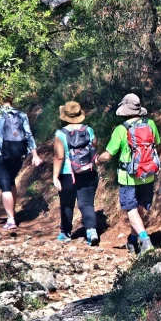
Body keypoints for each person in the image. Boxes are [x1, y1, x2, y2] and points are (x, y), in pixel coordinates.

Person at [97, 93, 161, 255]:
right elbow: (156, 143)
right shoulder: (151, 124)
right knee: (139, 209)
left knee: (131, 210)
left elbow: (108, 154)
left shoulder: (121, 129)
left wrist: (97, 159)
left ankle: (145, 240)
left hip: (128, 177)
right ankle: (133, 241)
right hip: (147, 174)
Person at [0, 96, 42, 230]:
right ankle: (12, 213)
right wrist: (35, 154)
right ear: (12, 99)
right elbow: (28, 135)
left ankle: (11, 219)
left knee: (5, 186)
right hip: (17, 154)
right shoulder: (21, 115)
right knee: (11, 181)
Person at [52, 101, 100, 245]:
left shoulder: (60, 134)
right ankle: (92, 232)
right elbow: (94, 147)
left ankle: (65, 233)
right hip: (88, 171)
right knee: (87, 204)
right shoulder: (88, 130)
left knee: (67, 204)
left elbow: (59, 156)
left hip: (68, 174)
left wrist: (55, 177)